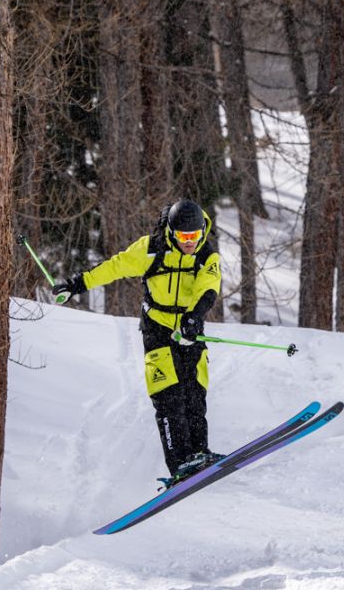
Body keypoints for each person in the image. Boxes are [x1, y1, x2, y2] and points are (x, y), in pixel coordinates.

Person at [52, 199, 225, 485]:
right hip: (157, 329)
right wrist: (76, 284)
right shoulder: (151, 249)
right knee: (168, 396)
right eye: (184, 237)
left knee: (194, 393)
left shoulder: (208, 255)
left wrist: (194, 318)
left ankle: (199, 453)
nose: (190, 242)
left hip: (189, 328)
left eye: (194, 236)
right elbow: (115, 267)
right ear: (172, 232)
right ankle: (181, 463)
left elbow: (208, 288)